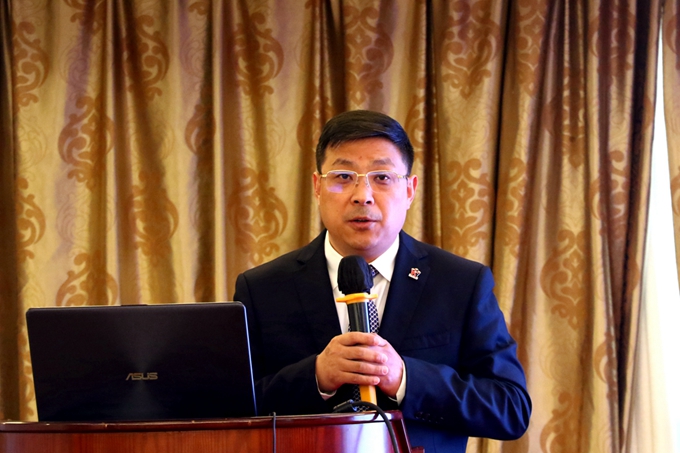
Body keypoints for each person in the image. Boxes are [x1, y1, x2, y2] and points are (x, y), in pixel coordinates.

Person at [233, 110, 531, 452]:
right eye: (343, 176)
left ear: (410, 190)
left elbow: (510, 408)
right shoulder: (263, 288)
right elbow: (232, 407)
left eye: (382, 177)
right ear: (317, 187)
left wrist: (405, 378)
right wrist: (315, 377)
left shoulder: (460, 283)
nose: (363, 195)